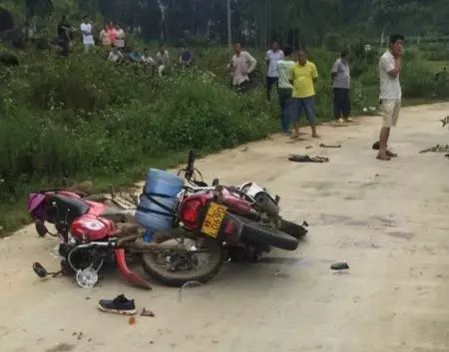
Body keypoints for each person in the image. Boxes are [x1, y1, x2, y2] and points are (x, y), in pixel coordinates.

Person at [377, 33, 404, 161]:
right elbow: (394, 73)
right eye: (398, 43)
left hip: (396, 94)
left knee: (390, 124)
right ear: (391, 44)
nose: (400, 46)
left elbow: (397, 72)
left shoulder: (394, 57)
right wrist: (398, 58)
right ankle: (381, 151)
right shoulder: (386, 58)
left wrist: (398, 58)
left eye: (401, 43)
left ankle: (384, 148)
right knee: (386, 124)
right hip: (388, 96)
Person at [290, 49, 320, 139]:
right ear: (297, 57)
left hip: (309, 94)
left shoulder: (311, 65)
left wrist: (307, 85)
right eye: (299, 56)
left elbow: (315, 78)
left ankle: (314, 132)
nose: (301, 57)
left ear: (306, 56)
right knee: (296, 114)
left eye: (302, 55)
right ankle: (296, 132)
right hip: (296, 95)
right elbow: (291, 80)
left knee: (311, 114)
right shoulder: (293, 67)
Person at [276, 46, 295, 133]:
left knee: (283, 109)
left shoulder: (279, 63)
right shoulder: (293, 64)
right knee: (288, 109)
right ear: (291, 54)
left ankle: (283, 127)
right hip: (290, 88)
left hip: (281, 88)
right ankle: (287, 128)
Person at [332, 50, 353, 123]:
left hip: (346, 86)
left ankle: (346, 116)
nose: (349, 57)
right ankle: (337, 117)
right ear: (344, 55)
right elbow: (333, 72)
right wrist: (335, 80)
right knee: (338, 102)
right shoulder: (338, 62)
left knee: (346, 102)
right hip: (338, 86)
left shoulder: (346, 63)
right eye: (348, 55)